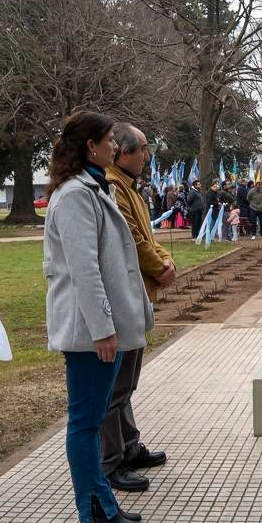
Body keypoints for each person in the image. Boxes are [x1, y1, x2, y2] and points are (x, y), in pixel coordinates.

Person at [43, 111, 151, 523]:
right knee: (86, 422)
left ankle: (99, 504)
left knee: (89, 419)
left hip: (99, 328)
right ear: (91, 146)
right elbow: (84, 270)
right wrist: (103, 329)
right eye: (109, 140)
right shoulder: (75, 195)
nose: (115, 146)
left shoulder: (90, 187)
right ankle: (96, 508)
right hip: (89, 332)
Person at [101, 123, 173, 493]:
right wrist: (160, 267)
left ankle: (129, 446)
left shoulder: (129, 186)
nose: (147, 155)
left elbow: (148, 236)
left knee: (126, 385)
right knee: (116, 389)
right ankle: (112, 463)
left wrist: (165, 259)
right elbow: (131, 239)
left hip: (136, 295)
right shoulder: (113, 187)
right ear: (123, 152)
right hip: (123, 298)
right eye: (143, 148)